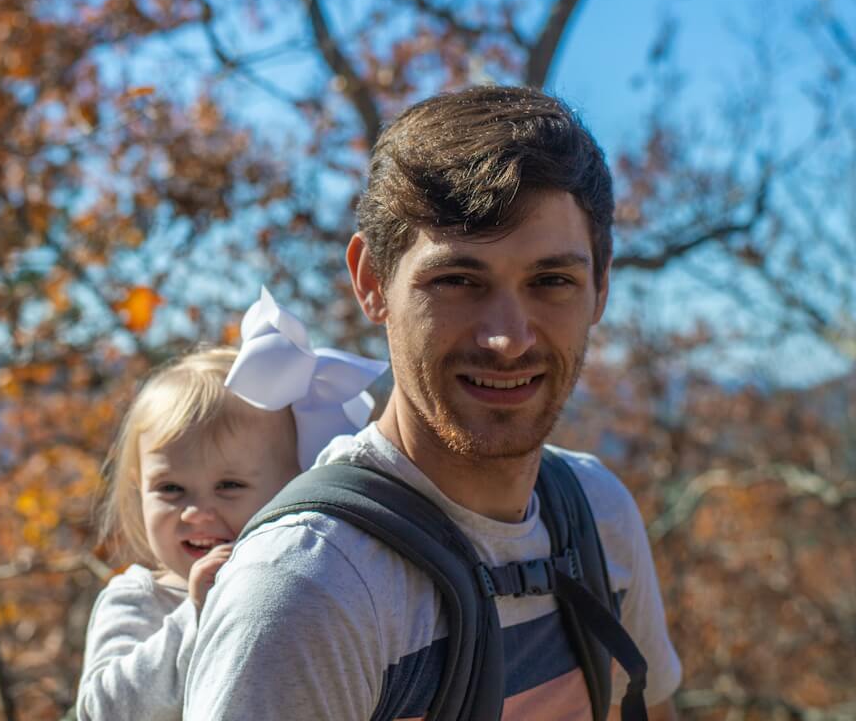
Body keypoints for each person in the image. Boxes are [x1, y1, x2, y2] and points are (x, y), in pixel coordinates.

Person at [184, 85, 682, 720]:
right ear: (372, 282)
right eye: (457, 280)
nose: (508, 338)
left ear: (601, 289)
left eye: (552, 281)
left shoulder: (597, 515)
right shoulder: (307, 592)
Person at [76, 290, 387, 721]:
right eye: (170, 489)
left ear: (289, 488)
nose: (196, 513)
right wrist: (197, 613)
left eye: (229, 485)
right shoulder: (139, 600)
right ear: (137, 487)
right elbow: (102, 709)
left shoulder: (297, 590)